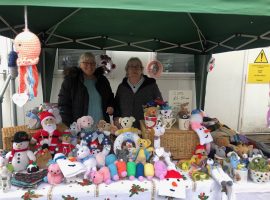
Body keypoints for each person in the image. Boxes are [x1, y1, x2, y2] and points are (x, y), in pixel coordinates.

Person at [58, 52, 114, 127]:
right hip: (80, 128)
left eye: (92, 63)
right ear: (80, 64)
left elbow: (110, 97)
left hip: (101, 126)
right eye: (86, 63)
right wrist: (70, 125)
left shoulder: (102, 80)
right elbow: (64, 104)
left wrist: (111, 106)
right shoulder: (71, 80)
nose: (89, 66)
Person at [114, 57, 163, 128]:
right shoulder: (122, 87)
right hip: (126, 128)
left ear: (141, 69)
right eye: (131, 66)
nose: (134, 69)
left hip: (146, 127)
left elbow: (160, 102)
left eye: (137, 66)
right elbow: (116, 105)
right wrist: (116, 118)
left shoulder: (151, 85)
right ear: (127, 70)